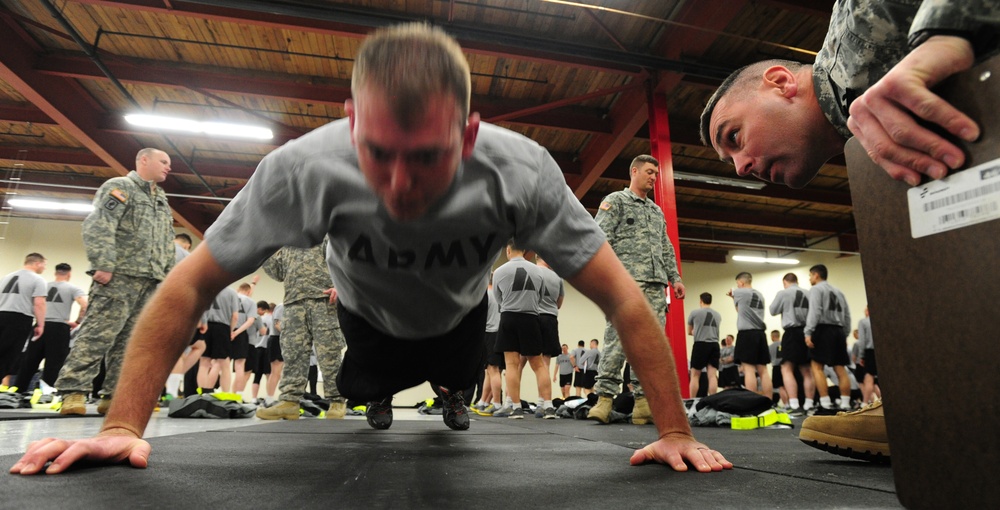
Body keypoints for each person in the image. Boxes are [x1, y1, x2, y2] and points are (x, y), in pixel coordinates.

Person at [10, 23, 730, 476]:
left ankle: (451, 388)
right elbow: (185, 287)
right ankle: (387, 384)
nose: (399, 182)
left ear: (470, 134)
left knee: (459, 386)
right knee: (363, 392)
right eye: (378, 153)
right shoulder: (303, 168)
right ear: (351, 121)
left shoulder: (521, 172)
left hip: (456, 320)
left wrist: (674, 431)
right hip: (368, 321)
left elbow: (624, 300)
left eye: (426, 158)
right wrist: (121, 426)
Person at [56, 148, 174, 415]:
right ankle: (73, 392)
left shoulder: (160, 198)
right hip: (119, 274)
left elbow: (166, 240)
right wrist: (103, 263)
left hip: (149, 279)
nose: (168, 167)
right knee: (98, 333)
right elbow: (99, 224)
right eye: (164, 161)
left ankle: (114, 396)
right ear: (143, 160)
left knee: (131, 342)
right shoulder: (120, 187)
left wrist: (166, 277)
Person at [588, 154, 686, 426]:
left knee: (651, 345)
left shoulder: (656, 211)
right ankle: (605, 399)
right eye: (649, 172)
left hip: (656, 287)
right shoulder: (616, 201)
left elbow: (666, 246)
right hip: (625, 283)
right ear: (634, 171)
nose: (654, 177)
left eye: (656, 173)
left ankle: (643, 403)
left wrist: (674, 278)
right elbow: (600, 239)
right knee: (618, 339)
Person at [257, 242, 348, 421]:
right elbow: (278, 273)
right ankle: (289, 402)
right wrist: (262, 249)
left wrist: (341, 287)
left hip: (323, 301)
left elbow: (344, 262)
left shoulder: (325, 237)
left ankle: (337, 401)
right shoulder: (288, 245)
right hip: (293, 304)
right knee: (293, 355)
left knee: (329, 354)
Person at [492, 240, 552, 420]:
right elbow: (541, 296)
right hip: (530, 317)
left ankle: (516, 407)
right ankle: (548, 406)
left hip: (509, 317)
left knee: (511, 365)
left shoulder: (500, 271)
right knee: (539, 364)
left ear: (508, 250)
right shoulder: (539, 271)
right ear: (525, 251)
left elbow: (498, 298)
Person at [14, 263, 87, 399]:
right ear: (69, 274)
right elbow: (84, 305)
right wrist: (77, 322)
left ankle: (18, 392)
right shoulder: (72, 288)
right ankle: (47, 395)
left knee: (29, 361)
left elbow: (35, 303)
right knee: (55, 362)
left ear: (55, 273)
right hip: (59, 327)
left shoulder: (43, 285)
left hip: (40, 325)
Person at [803, 264, 852, 415]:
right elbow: (847, 315)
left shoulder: (816, 289)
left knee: (817, 367)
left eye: (810, 275)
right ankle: (846, 403)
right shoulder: (838, 291)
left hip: (823, 329)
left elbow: (815, 311)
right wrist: (845, 333)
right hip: (838, 330)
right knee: (840, 368)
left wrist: (808, 331)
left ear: (816, 275)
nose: (810, 278)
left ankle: (825, 403)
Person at [769, 273, 815, 415]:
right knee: (807, 370)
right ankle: (809, 405)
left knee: (786, 368)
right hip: (807, 332)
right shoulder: (808, 293)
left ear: (785, 282)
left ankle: (794, 405)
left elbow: (772, 310)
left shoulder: (784, 292)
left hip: (792, 332)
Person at [0, 254, 48, 387]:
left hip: (1, 313)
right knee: (9, 356)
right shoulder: (38, 280)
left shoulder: (6, 277)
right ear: (37, 263)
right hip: (19, 319)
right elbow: (39, 303)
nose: (44, 268)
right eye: (44, 265)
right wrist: (40, 324)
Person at [726, 272, 772, 398]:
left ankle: (751, 401)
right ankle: (769, 401)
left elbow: (731, 291)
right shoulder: (760, 295)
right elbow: (741, 311)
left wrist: (732, 294)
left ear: (741, 282)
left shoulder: (740, 292)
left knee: (749, 369)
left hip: (747, 334)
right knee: (763, 370)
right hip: (760, 334)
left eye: (738, 284)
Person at [686, 292, 721, 398]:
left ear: (700, 301)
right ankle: (713, 399)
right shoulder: (718, 315)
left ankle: (692, 400)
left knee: (695, 375)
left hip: (701, 344)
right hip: (714, 344)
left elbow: (690, 331)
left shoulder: (694, 313)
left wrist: (697, 331)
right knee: (712, 376)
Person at [855, 307, 880, 405]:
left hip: (870, 352)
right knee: (875, 382)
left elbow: (862, 341)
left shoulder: (863, 322)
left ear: (867, 311)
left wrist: (861, 356)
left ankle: (865, 403)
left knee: (869, 379)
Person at [769, 330, 789, 409]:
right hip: (786, 367)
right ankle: (792, 403)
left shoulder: (770, 347)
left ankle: (786, 405)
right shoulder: (784, 344)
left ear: (773, 336)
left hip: (776, 368)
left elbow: (768, 359)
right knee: (787, 386)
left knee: (780, 387)